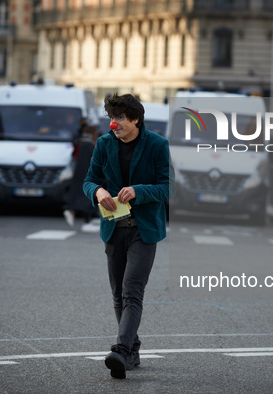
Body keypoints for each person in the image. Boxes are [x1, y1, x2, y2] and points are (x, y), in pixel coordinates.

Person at [83, 93, 175, 379]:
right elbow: (90, 180)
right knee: (117, 295)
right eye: (111, 118)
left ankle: (121, 350)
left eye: (120, 118)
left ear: (136, 119)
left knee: (132, 290)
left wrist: (138, 190)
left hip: (144, 230)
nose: (114, 124)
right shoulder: (104, 144)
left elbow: (168, 187)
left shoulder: (157, 145)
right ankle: (132, 348)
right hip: (114, 228)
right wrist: (97, 192)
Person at [64, 124, 99, 232]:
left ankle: (71, 211)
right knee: (88, 198)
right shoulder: (89, 144)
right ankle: (86, 222)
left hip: (78, 174)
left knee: (78, 195)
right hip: (87, 175)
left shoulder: (80, 143)